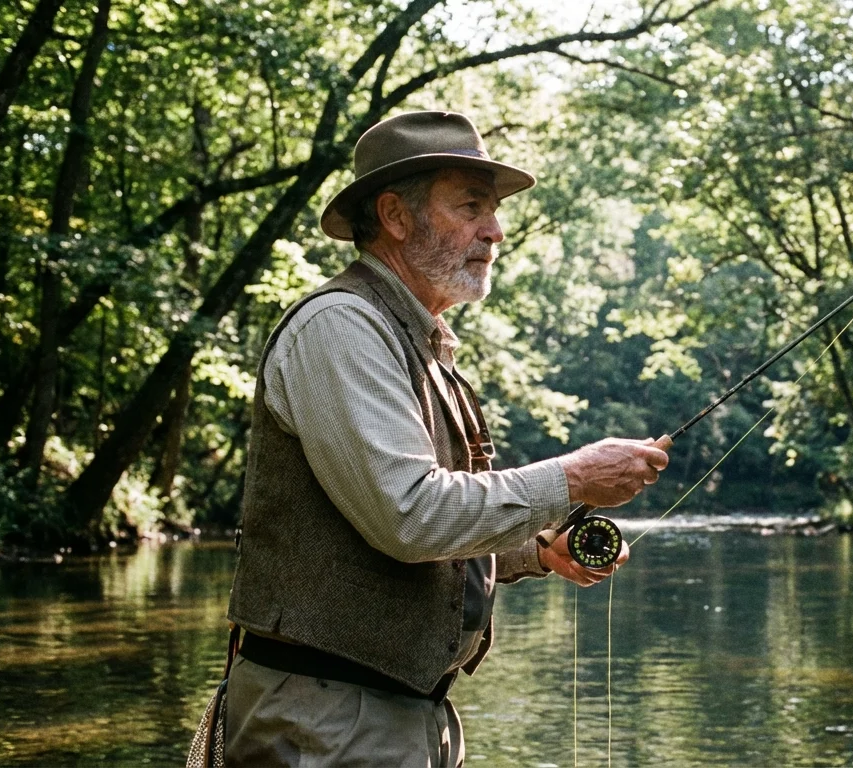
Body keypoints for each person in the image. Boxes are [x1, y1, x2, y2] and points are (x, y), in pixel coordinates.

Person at [223, 110, 670, 767]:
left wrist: (539, 549)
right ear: (397, 218)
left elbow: (430, 518)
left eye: (494, 210)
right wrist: (572, 480)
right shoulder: (342, 327)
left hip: (389, 715)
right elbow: (410, 515)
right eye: (471, 206)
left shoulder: (420, 341)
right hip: (330, 719)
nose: (495, 230)